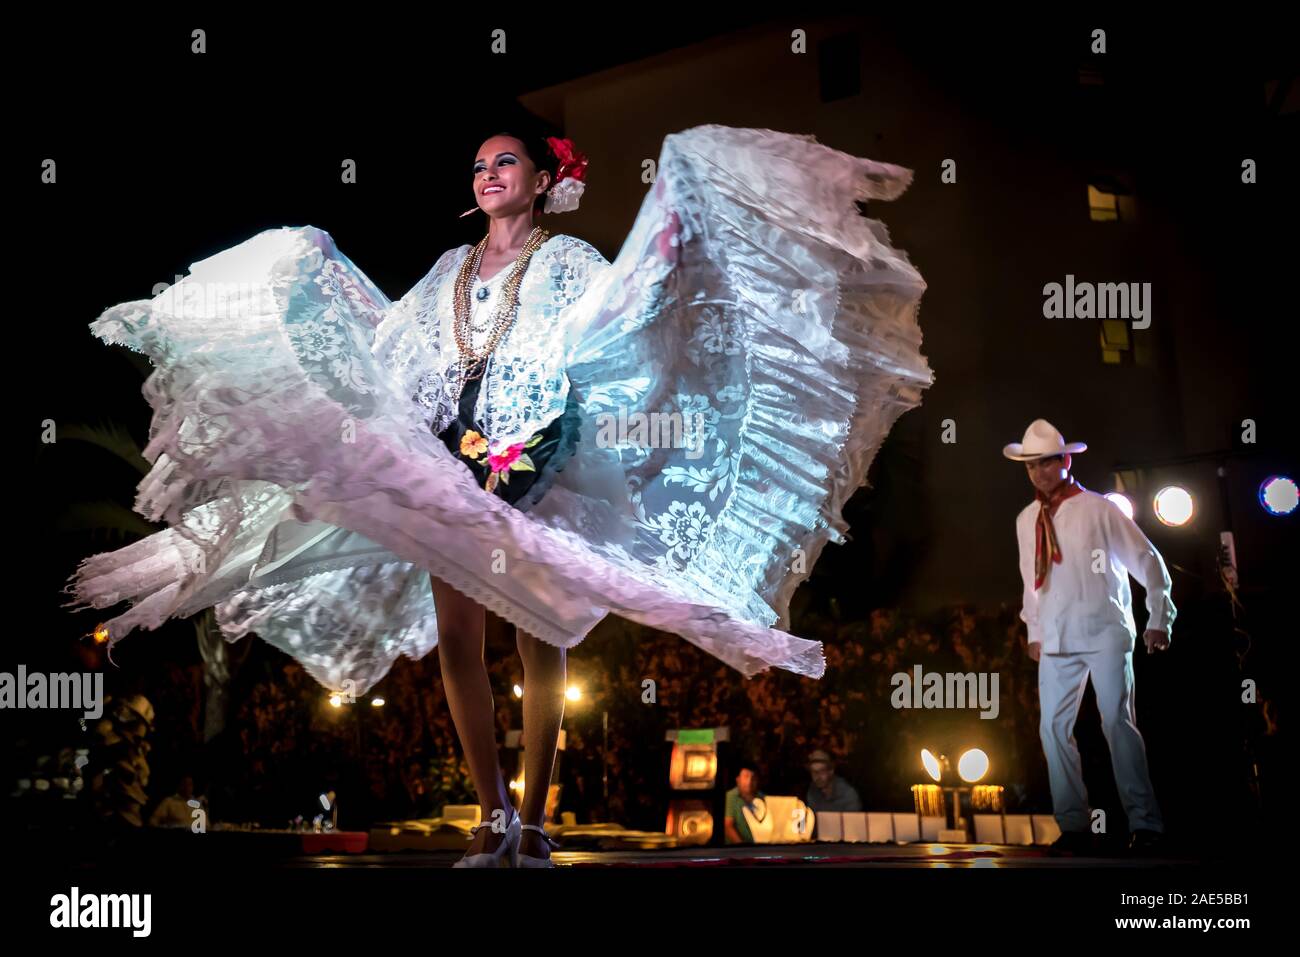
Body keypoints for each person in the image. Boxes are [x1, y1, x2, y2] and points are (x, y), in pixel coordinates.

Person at [63, 121, 934, 868]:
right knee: (458, 631)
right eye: (479, 166)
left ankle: (538, 814)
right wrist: (309, 280)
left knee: (539, 633)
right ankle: (491, 809)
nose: (488, 175)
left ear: (543, 180)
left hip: (538, 460)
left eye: (506, 163)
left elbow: (608, 326)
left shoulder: (566, 261)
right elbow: (392, 342)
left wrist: (670, 253)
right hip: (455, 464)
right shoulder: (449, 266)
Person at [1004, 419, 1174, 856]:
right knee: (1052, 729)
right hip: (1057, 637)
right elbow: (1030, 580)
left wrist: (1159, 616)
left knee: (1117, 722)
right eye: (1031, 466)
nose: (1039, 473)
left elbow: (1146, 559)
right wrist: (1035, 629)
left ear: (1064, 461)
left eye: (1045, 463)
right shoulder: (1026, 519)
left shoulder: (1098, 508)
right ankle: (1074, 826)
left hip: (1104, 630)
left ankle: (1146, 824)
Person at [805, 749, 862, 814]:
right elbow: (811, 818)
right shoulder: (813, 790)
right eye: (814, 772)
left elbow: (853, 822)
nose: (817, 777)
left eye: (822, 771)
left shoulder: (848, 794)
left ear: (831, 771)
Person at [724, 763, 767, 845]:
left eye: (753, 778)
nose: (749, 781)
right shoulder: (730, 797)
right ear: (738, 779)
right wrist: (743, 847)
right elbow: (728, 826)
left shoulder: (763, 798)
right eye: (746, 776)